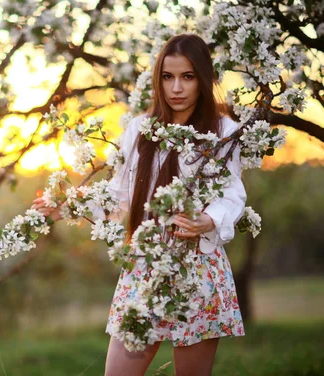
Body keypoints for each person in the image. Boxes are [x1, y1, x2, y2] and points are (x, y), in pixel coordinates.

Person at [31, 34, 246, 376]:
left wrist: (208, 219)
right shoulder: (139, 129)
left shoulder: (223, 131)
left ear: (203, 79)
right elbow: (120, 195)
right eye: (168, 76)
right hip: (144, 267)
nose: (176, 87)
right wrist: (69, 204)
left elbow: (232, 193)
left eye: (187, 77)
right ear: (158, 79)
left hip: (199, 267)